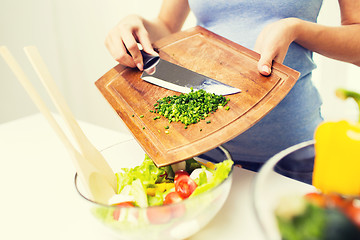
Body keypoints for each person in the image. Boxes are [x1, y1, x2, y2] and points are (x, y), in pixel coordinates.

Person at [104, 0, 360, 174]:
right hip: (201, 154)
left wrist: (295, 28)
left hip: (290, 157)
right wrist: (137, 26)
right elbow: (167, 27)